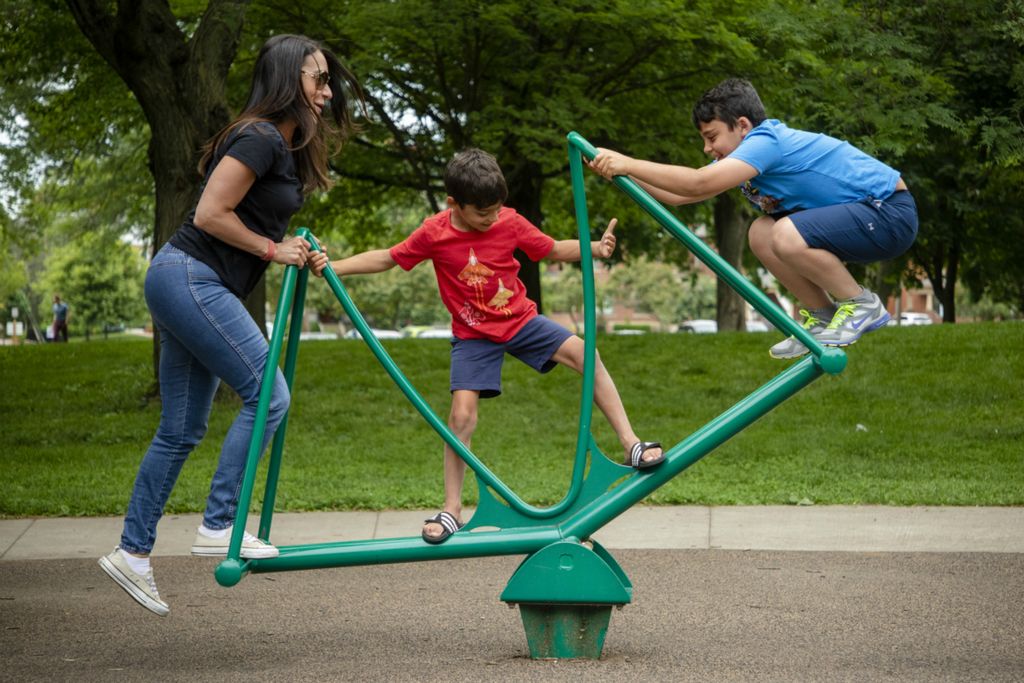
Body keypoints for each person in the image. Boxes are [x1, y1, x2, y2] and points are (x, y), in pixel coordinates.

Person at [98, 34, 363, 616]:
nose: (325, 91)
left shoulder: (282, 146)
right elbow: (208, 215)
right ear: (288, 78)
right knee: (268, 394)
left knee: (182, 429)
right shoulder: (259, 136)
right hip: (189, 277)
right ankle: (221, 523)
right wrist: (274, 250)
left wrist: (297, 248)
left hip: (191, 281)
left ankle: (131, 553)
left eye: (327, 81)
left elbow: (254, 222)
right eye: (317, 79)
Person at [310, 148, 665, 545]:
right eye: (482, 213)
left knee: (587, 355)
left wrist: (594, 248)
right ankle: (451, 509)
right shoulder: (434, 232)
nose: (492, 218)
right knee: (461, 415)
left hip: (520, 320)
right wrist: (333, 266)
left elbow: (547, 249)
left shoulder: (508, 221)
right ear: (453, 204)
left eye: (496, 209)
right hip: (473, 334)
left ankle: (630, 444)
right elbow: (388, 258)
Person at [589, 78, 918, 359]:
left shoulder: (766, 142)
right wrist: (621, 176)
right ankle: (823, 315)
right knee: (762, 232)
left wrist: (628, 163)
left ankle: (862, 303)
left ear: (743, 126)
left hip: (888, 211)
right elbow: (681, 195)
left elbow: (696, 182)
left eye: (712, 136)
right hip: (863, 221)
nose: (707, 148)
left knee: (785, 233)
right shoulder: (750, 156)